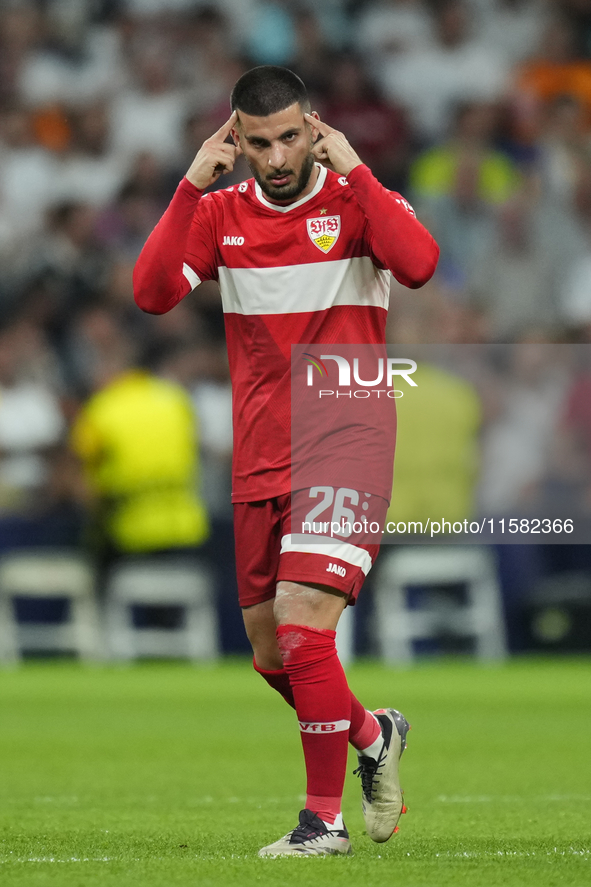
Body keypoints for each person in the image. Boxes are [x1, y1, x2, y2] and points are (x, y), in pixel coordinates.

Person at [133, 65, 438, 857]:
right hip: (262, 451)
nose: (276, 156)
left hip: (347, 434)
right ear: (235, 139)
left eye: (291, 137)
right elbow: (152, 293)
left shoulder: (355, 200)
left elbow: (418, 263)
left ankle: (320, 820)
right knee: (273, 651)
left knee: (305, 631)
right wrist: (185, 190)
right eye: (259, 141)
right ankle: (374, 734)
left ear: (316, 129)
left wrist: (360, 170)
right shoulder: (219, 213)